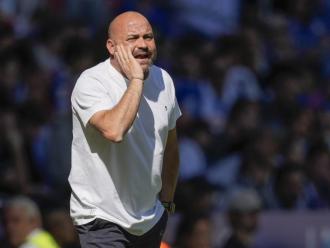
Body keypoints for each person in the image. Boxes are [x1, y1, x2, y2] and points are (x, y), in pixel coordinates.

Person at [69, 11, 182, 247]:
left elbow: (171, 148)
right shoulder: (92, 82)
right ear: (111, 46)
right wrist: (136, 80)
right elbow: (114, 131)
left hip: (150, 220)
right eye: (133, 38)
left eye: (148, 37)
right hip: (101, 218)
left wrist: (167, 204)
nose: (143, 44)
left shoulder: (164, 81)